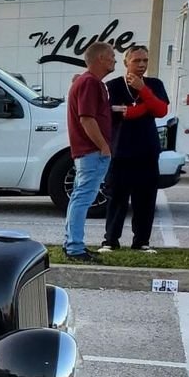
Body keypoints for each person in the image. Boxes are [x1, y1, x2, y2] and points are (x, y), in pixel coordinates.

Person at [101, 45, 168, 254]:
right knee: (117, 198)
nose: (141, 65)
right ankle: (110, 240)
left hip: (147, 150)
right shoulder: (112, 86)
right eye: (137, 60)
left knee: (145, 199)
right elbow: (112, 113)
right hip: (120, 150)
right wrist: (137, 109)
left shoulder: (154, 84)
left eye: (145, 61)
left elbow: (161, 110)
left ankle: (141, 241)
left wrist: (143, 91)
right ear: (126, 63)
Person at [62, 41, 116, 262]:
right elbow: (86, 118)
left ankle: (72, 243)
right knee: (83, 198)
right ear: (100, 58)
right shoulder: (90, 83)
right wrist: (103, 145)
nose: (115, 59)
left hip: (87, 152)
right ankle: (74, 247)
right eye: (111, 55)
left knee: (79, 197)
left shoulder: (86, 82)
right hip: (91, 152)